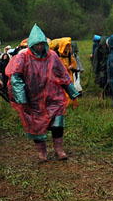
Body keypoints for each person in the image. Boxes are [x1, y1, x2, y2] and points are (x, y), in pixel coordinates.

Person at [6, 24, 79, 161]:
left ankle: (59, 149)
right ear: (32, 45)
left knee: (58, 122)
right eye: (37, 44)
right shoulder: (23, 58)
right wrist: (21, 97)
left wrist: (72, 91)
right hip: (33, 98)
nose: (40, 47)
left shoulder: (52, 56)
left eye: (42, 44)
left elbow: (62, 74)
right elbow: (15, 78)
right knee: (36, 126)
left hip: (53, 96)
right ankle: (42, 152)